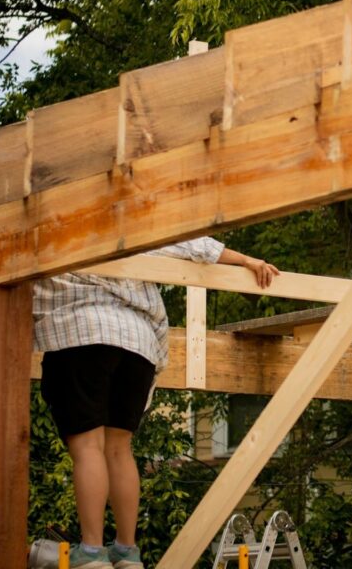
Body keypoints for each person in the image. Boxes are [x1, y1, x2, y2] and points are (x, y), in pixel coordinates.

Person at [33, 237, 280, 569]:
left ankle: (91, 551)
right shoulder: (129, 225)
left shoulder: (56, 224)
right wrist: (247, 259)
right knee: (119, 449)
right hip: (138, 344)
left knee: (88, 447)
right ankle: (126, 551)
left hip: (81, 333)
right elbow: (191, 244)